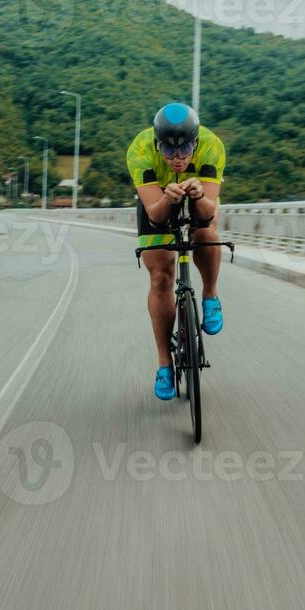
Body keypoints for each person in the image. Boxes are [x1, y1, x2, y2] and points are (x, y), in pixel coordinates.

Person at [127, 102, 227, 401]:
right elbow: (156, 215)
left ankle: (210, 295)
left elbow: (208, 214)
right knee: (160, 276)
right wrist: (168, 199)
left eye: (185, 150)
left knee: (206, 233)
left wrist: (196, 195)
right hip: (158, 201)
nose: (178, 158)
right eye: (169, 152)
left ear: (196, 143)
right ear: (157, 145)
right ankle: (164, 363)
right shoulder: (140, 150)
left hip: (199, 199)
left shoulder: (212, 146)